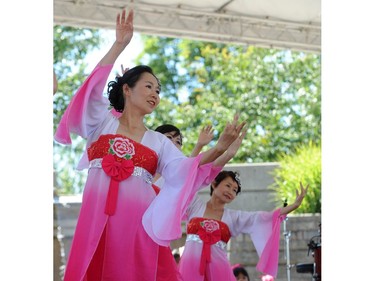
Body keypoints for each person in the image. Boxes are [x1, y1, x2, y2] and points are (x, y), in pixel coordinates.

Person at [54, 7, 246, 281]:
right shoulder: (102, 122)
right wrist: (118, 45)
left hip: (137, 224)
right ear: (127, 89)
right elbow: (93, 88)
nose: (155, 93)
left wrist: (220, 147)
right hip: (96, 217)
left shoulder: (158, 142)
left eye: (158, 90)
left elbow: (186, 168)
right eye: (149, 86)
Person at [177, 171, 309, 281]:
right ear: (214, 183)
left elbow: (263, 217)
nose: (231, 191)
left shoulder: (234, 217)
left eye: (235, 190)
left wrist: (294, 206)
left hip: (218, 269)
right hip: (190, 265)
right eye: (228, 186)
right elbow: (184, 181)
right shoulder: (195, 205)